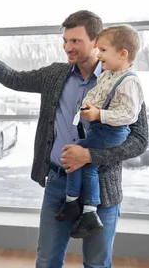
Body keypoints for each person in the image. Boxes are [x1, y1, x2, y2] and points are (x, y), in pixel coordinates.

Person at [0, 11, 148, 268]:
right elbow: (14, 79)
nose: (67, 47)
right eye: (65, 40)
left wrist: (90, 155)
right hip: (58, 183)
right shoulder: (55, 75)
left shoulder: (123, 81)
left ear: (96, 41)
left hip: (103, 188)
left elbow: (139, 140)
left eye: (75, 41)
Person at [55, 24, 144, 240]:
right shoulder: (108, 75)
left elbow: (129, 116)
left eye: (103, 50)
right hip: (100, 128)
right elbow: (97, 94)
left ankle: (81, 208)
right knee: (80, 160)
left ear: (123, 54)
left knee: (82, 161)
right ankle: (81, 208)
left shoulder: (130, 82)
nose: (99, 54)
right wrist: (88, 106)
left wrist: (99, 115)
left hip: (111, 132)